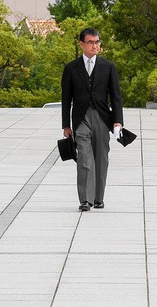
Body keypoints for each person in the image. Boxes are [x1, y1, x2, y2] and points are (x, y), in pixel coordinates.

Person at [61, 27, 123, 212]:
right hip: (81, 119)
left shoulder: (108, 67)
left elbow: (116, 97)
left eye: (97, 42)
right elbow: (66, 98)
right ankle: (85, 200)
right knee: (85, 159)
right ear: (82, 44)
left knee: (101, 158)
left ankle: (98, 198)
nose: (95, 46)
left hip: (103, 118)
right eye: (91, 42)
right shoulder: (71, 68)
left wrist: (118, 121)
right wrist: (66, 125)